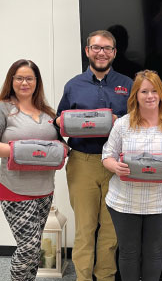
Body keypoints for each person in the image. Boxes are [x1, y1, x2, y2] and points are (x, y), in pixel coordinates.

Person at [55, 30, 133, 281]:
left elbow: (138, 123)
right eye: (97, 48)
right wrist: (59, 144)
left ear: (114, 53)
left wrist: (117, 120)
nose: (102, 53)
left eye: (107, 48)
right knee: (85, 229)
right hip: (82, 162)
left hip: (117, 164)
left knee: (111, 232)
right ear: (87, 50)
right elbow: (59, 124)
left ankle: (106, 277)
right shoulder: (73, 85)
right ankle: (83, 277)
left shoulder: (128, 85)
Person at [101, 70, 162, 281]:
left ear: (160, 94)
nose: (150, 96)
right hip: (125, 201)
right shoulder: (122, 124)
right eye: (144, 91)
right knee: (128, 252)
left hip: (161, 201)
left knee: (154, 252)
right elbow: (106, 156)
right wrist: (115, 167)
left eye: (154, 91)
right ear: (136, 95)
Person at [0, 59, 60, 281]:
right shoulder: (3, 108)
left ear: (37, 82)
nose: (24, 82)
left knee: (34, 252)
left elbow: (60, 144)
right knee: (29, 246)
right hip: (14, 187)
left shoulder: (47, 112)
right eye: (19, 77)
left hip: (44, 189)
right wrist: (26, 151)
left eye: (29, 78)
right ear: (12, 80)